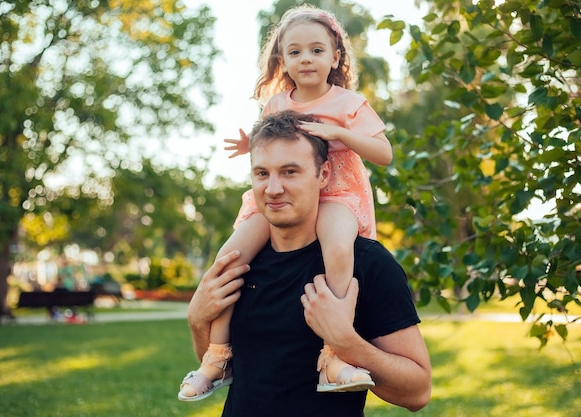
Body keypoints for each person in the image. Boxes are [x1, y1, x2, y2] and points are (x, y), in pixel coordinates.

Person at [179, 5, 393, 400]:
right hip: (284, 197)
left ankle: (334, 356)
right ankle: (217, 356)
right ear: (282, 60)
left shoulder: (348, 103)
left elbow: (384, 153)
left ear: (335, 57)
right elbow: (270, 144)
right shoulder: (277, 105)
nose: (305, 59)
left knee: (338, 249)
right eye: (294, 52)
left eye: (316, 50)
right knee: (229, 258)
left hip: (337, 193)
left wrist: (340, 134)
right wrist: (250, 145)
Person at [182, 110, 431, 416]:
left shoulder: (366, 262)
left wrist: (346, 342)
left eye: (290, 172)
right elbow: (227, 367)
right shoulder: (240, 263)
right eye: (262, 173)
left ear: (323, 175)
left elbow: (418, 392)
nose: (273, 188)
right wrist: (196, 319)